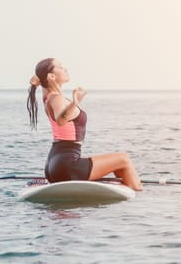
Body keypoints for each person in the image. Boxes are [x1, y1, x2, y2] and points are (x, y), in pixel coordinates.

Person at [26, 58, 143, 191]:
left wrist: (37, 81)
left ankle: (128, 188)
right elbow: (61, 119)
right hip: (67, 165)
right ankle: (139, 198)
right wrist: (75, 102)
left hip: (53, 165)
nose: (65, 69)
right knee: (123, 158)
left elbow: (40, 77)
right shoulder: (56, 98)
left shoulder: (48, 96)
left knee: (118, 165)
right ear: (52, 76)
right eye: (60, 67)